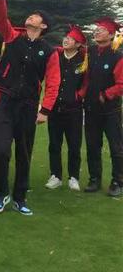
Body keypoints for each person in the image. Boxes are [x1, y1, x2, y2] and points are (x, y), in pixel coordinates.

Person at [0, 0, 60, 215]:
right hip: (5, 102)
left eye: (35, 16)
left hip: (28, 106)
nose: (30, 17)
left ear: (43, 26)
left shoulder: (49, 51)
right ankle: (1, 193)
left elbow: (53, 82)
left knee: (24, 153)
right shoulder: (12, 37)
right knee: (0, 150)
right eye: (30, 15)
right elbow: (0, 17)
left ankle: (20, 198)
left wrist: (45, 109)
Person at [79, 17, 123, 197]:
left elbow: (121, 84)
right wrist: (82, 94)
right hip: (91, 108)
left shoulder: (117, 56)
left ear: (111, 35)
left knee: (116, 146)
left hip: (111, 110)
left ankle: (117, 181)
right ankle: (94, 179)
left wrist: (106, 94)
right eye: (96, 29)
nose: (97, 32)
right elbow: (86, 78)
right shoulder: (90, 53)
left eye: (102, 30)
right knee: (92, 145)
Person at [45, 25, 86, 192]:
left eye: (71, 39)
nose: (66, 40)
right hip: (55, 108)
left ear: (78, 44)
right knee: (54, 143)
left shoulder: (83, 60)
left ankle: (73, 177)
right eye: (66, 37)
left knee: (74, 145)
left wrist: (78, 95)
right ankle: (55, 175)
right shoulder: (56, 56)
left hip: (74, 109)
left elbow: (87, 82)